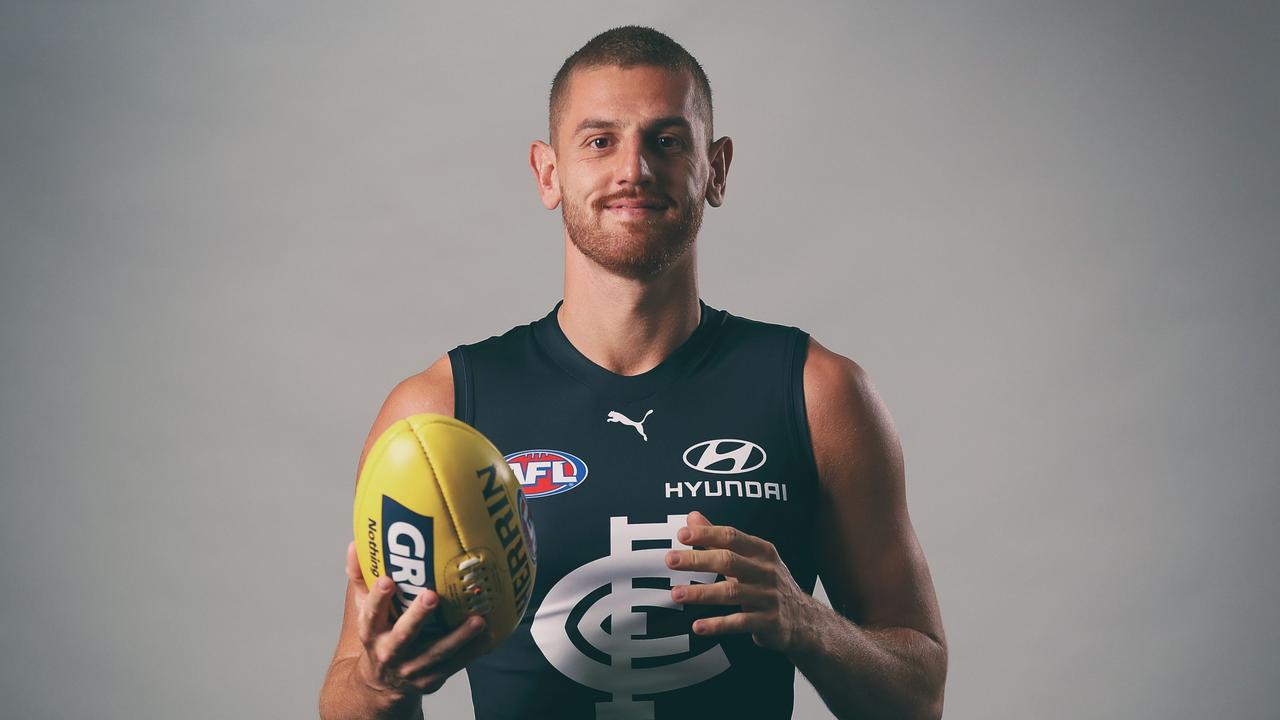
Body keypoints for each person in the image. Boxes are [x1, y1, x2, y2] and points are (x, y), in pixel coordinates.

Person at [320, 25, 946, 720]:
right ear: (548, 173)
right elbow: (350, 689)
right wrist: (381, 685)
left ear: (717, 168)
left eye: (667, 141)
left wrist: (808, 623)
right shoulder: (437, 414)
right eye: (599, 141)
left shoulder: (818, 393)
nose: (633, 170)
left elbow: (918, 697)